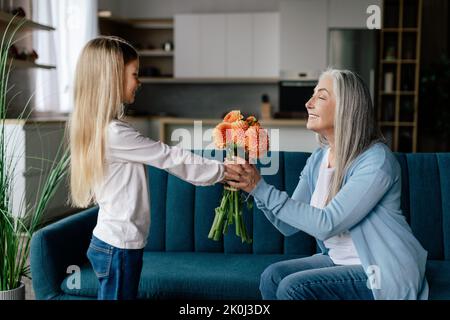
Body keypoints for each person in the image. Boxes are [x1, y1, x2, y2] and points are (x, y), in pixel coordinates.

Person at [224, 69, 428, 300]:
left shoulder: (376, 160)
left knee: (293, 287)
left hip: (383, 271)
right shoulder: (320, 158)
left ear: (346, 108)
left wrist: (260, 187)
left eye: (320, 97)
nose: (308, 103)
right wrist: (252, 187)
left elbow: (327, 224)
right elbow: (287, 225)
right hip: (338, 261)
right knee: (273, 276)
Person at [68, 36, 226, 300]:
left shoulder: (102, 129)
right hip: (118, 246)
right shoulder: (114, 134)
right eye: (134, 74)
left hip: (115, 242)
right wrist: (223, 171)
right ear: (112, 77)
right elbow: (169, 157)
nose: (138, 82)